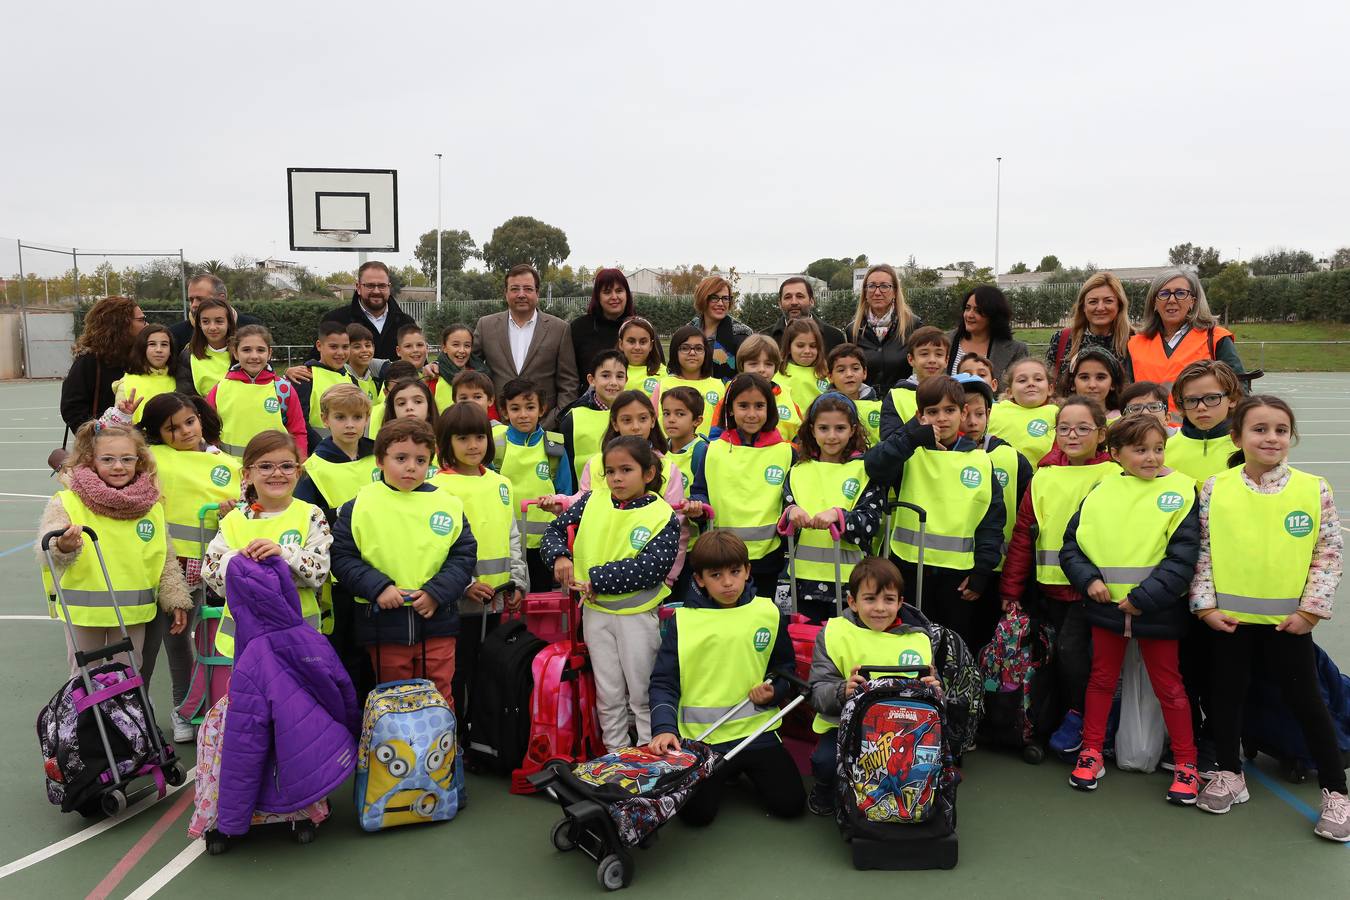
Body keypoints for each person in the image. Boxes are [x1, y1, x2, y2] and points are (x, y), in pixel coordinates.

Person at [1189, 396, 1349, 839]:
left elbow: (1328, 554)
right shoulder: (1215, 487)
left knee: (1308, 703)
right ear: (1237, 436)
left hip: (1288, 625)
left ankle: (1337, 793)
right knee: (1226, 698)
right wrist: (1205, 606)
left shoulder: (1313, 488)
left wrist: (1310, 611)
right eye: (1260, 429)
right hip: (1230, 623)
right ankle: (1229, 773)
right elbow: (1202, 551)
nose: (1271, 437)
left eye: (1281, 429)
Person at [1059, 414, 1201, 804]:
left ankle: (1187, 763)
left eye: (1158, 449)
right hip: (1106, 609)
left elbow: (1183, 558)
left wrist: (1144, 598)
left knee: (1169, 686)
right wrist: (1089, 581)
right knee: (1101, 680)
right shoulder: (1100, 490)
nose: (1151, 458)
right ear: (1116, 453)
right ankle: (1091, 751)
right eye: (1140, 450)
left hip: (1156, 612)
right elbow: (1072, 546)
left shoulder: (1183, 491)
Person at [647, 530, 804, 825]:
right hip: (703, 740)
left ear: (747, 571)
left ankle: (739, 773)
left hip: (757, 733)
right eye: (716, 575)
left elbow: (784, 667)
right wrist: (664, 729)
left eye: (735, 572)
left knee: (790, 805)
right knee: (696, 818)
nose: (728, 582)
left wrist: (774, 690)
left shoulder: (768, 612)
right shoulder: (683, 621)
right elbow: (663, 683)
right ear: (699, 580)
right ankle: (728, 775)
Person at [542, 436, 679, 750]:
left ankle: (650, 757)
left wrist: (596, 578)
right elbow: (555, 530)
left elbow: (652, 567)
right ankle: (616, 756)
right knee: (608, 693)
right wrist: (560, 556)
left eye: (626, 470)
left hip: (636, 618)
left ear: (648, 474)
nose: (617, 477)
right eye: (610, 471)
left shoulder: (662, 514)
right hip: (596, 613)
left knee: (643, 694)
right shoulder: (593, 500)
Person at [998, 396, 1116, 758]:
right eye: (1064, 428)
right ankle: (1062, 717)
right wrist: (1011, 589)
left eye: (1083, 428)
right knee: (1055, 658)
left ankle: (1088, 718)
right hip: (1048, 587)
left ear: (1101, 433)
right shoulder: (1044, 476)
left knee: (1073, 653)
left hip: (1092, 589)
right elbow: (1023, 533)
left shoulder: (1113, 474)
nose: (1073, 435)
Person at [330, 417, 478, 703]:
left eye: (421, 460)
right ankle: (396, 749)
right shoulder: (360, 505)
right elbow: (342, 557)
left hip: (438, 620)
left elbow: (463, 555)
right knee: (393, 697)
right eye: (401, 458)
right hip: (383, 625)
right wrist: (379, 588)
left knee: (439, 693)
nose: (411, 466)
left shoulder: (448, 503)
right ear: (380, 461)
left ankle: (444, 748)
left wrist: (436, 593)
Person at [37, 421, 190, 677]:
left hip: (132, 612)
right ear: (91, 460)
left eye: (126, 459)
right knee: (84, 679)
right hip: (85, 614)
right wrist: (63, 545)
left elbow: (165, 559)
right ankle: (83, 719)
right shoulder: (69, 501)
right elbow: (47, 548)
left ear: (139, 461)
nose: (118, 466)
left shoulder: (151, 507)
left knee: (127, 677)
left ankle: (122, 719)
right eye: (107, 459)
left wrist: (175, 599)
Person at [864, 376, 1006, 651]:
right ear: (920, 415)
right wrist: (911, 436)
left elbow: (991, 521)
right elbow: (875, 466)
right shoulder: (910, 452)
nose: (941, 418)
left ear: (963, 413)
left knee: (952, 649)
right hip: (908, 568)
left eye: (949, 410)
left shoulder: (980, 461)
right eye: (932, 412)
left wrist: (982, 570)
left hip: (957, 577)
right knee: (907, 644)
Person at [137, 392, 238, 741]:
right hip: (158, 563)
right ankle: (141, 711)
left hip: (204, 567)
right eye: (171, 428)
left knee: (192, 639)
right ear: (156, 433)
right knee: (157, 643)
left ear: (199, 417)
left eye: (189, 421)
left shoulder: (224, 462)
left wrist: (232, 512)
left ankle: (186, 708)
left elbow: (247, 507)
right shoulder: (150, 459)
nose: (184, 431)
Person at [806, 557, 937, 816]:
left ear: (900, 603)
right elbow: (816, 692)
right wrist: (842, 690)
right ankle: (825, 788)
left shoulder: (919, 638)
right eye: (870, 599)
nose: (880, 608)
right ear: (852, 601)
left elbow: (935, 696)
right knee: (825, 762)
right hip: (846, 727)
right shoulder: (834, 634)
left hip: (902, 733)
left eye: (888, 600)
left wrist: (935, 691)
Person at [431, 402, 528, 716]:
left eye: (478, 437)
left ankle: (486, 740)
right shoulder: (437, 488)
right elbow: (435, 547)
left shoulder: (501, 483)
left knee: (491, 674)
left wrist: (519, 583)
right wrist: (464, 585)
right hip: (458, 604)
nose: (473, 446)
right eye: (462, 439)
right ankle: (458, 738)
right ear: (446, 443)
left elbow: (513, 536)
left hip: (499, 601)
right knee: (458, 675)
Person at [203, 431, 330, 660]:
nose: (277, 473)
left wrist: (283, 554)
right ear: (247, 474)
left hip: (299, 641)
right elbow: (211, 572)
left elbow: (319, 572)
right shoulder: (234, 519)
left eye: (286, 466)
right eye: (265, 466)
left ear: (298, 472)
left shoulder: (311, 515)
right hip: (244, 643)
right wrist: (238, 560)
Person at [293, 384, 378, 697]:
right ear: (325, 419)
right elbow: (305, 518)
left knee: (376, 650)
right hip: (339, 576)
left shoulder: (379, 457)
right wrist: (339, 511)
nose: (350, 424)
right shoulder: (313, 469)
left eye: (357, 417)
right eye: (341, 417)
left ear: (367, 418)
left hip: (382, 567)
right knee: (346, 651)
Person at [686, 373, 792, 600]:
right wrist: (699, 509)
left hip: (767, 559)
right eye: (743, 405)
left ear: (769, 408)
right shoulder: (712, 450)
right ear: (730, 408)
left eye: (759, 406)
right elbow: (700, 491)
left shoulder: (785, 452)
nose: (752, 414)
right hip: (721, 559)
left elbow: (792, 500)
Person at [782, 393, 884, 623]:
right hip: (801, 581)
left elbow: (871, 522)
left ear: (853, 430)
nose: (831, 436)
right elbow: (783, 514)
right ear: (812, 429)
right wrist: (791, 513)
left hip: (851, 582)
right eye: (824, 428)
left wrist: (839, 517)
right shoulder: (798, 469)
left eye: (840, 428)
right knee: (805, 647)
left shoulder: (864, 470)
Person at [474, 264, 579, 429]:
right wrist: (438, 364)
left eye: (528, 289)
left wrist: (551, 422)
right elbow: (466, 363)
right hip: (496, 427)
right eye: (515, 289)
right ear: (506, 293)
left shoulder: (559, 329)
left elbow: (569, 383)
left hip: (544, 429)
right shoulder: (486, 326)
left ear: (537, 293)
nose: (521, 294)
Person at [493, 378, 572, 591]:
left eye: (530, 407)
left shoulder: (553, 446)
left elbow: (565, 493)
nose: (523, 414)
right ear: (505, 412)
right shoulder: (497, 445)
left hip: (545, 543)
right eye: (515, 408)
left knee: (540, 598)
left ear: (541, 409)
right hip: (508, 541)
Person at [1126, 268, 1246, 405]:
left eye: (1180, 293)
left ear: (1193, 301)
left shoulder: (1216, 338)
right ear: (1154, 302)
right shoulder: (1134, 343)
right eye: (1164, 294)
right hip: (1148, 425)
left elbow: (1239, 390)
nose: (1171, 300)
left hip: (1201, 425)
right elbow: (1126, 395)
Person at [206, 325, 307, 458]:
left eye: (260, 350)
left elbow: (297, 431)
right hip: (231, 469)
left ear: (269, 353)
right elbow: (208, 431)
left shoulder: (283, 389)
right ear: (235, 353)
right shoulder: (220, 389)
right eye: (246, 350)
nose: (254, 356)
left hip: (274, 470)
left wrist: (300, 461)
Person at [60, 296, 147, 434]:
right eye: (141, 320)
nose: (146, 325)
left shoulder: (140, 358)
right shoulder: (89, 361)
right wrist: (99, 435)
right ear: (121, 324)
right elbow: (72, 409)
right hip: (104, 448)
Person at [844, 263, 923, 392]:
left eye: (884, 286)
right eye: (872, 286)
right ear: (865, 291)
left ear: (895, 291)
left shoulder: (913, 325)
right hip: (866, 405)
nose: (877, 292)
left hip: (900, 405)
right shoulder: (853, 330)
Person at [320, 261, 418, 361]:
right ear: (358, 287)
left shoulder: (406, 323)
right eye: (370, 286)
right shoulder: (335, 320)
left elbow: (419, 364)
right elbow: (318, 362)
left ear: (389, 287)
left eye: (382, 286)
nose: (376, 291)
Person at [1046, 272, 1134, 379]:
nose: (1100, 307)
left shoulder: (1134, 341)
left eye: (1108, 301)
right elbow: (1048, 386)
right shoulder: (1062, 339)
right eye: (1093, 302)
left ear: (1119, 305)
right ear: (1083, 306)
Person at [1167, 360, 1242, 486]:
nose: (1201, 407)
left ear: (1232, 399)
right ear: (1181, 405)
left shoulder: (1248, 449)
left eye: (1212, 398)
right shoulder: (1162, 450)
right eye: (1191, 400)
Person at [560, 349, 627, 483]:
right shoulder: (573, 417)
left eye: (619, 376)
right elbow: (565, 468)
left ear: (626, 380)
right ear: (592, 380)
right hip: (583, 497)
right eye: (606, 376)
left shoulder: (632, 415)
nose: (613, 382)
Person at [878, 326, 951, 440]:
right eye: (924, 354)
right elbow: (888, 442)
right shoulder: (896, 396)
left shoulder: (954, 393)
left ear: (946, 360)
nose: (932, 360)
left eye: (939, 354)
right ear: (911, 359)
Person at [947, 284, 1028, 384]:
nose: (969, 315)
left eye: (978, 311)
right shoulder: (945, 341)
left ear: (993, 315)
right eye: (967, 308)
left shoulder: (1016, 350)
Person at [296, 321, 359, 448]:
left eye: (345, 347)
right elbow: (299, 421)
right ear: (319, 346)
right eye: (334, 347)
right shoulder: (305, 377)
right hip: (316, 454)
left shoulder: (352, 380)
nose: (340, 353)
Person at [730, 335, 802, 443]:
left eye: (768, 364)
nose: (761, 369)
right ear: (742, 365)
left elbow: (800, 437)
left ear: (776, 367)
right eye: (753, 364)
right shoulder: (730, 396)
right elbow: (717, 434)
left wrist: (790, 451)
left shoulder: (786, 397)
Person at [987, 357, 1058, 465]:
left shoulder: (1059, 415)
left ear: (1050, 389)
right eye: (1022, 380)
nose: (1031, 383)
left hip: (1036, 479)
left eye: (1038, 379)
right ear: (1009, 392)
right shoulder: (992, 411)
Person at [167, 274, 261, 355]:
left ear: (221, 298)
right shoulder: (175, 334)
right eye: (191, 300)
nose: (194, 305)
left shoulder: (252, 327)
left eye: (200, 299)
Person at [569, 268, 636, 377]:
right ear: (598, 297)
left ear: (627, 294)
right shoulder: (578, 328)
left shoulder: (640, 328)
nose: (614, 297)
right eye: (607, 292)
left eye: (619, 291)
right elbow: (569, 375)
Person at [660, 326, 724, 436]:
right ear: (675, 351)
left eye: (698, 348)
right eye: (685, 348)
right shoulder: (663, 384)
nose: (692, 353)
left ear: (706, 352)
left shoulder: (718, 386)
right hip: (668, 451)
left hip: (707, 450)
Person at [688, 274, 753, 380]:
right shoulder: (687, 332)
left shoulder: (742, 335)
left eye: (725, 298)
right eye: (714, 298)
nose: (721, 303)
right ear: (702, 298)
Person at [111, 324, 177, 424]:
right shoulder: (125, 383)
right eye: (152, 344)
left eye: (164, 344)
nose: (159, 349)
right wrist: (124, 415)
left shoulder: (180, 378)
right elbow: (117, 425)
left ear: (170, 350)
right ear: (142, 348)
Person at [768, 276, 846, 356]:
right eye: (788, 297)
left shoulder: (834, 337)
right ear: (780, 304)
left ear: (811, 301)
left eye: (800, 296)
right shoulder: (766, 338)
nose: (794, 302)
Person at [175, 296, 235, 398]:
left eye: (219, 321)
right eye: (206, 322)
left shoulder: (242, 352)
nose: (212, 327)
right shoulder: (188, 355)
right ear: (199, 324)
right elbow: (186, 396)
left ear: (229, 323)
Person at [661, 386, 709, 497]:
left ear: (697, 421)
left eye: (680, 414)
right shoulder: (659, 450)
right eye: (666, 413)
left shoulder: (703, 452)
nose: (671, 419)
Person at [778, 318, 830, 419]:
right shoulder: (777, 373)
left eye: (813, 346)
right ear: (788, 347)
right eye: (800, 346)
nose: (807, 351)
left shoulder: (826, 373)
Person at [1060, 346, 1124, 422]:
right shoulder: (1058, 418)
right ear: (1072, 383)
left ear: (1113, 384)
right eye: (1084, 377)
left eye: (1100, 378)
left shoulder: (1123, 420)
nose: (1092, 385)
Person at [617, 316, 666, 400]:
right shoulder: (611, 371)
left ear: (650, 345)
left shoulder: (663, 373)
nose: (637, 347)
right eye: (631, 341)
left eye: (643, 342)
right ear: (621, 344)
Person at [345, 323, 381, 405]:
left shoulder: (374, 380)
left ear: (373, 348)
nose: (364, 350)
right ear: (346, 349)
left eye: (368, 345)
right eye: (357, 347)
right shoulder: (342, 378)